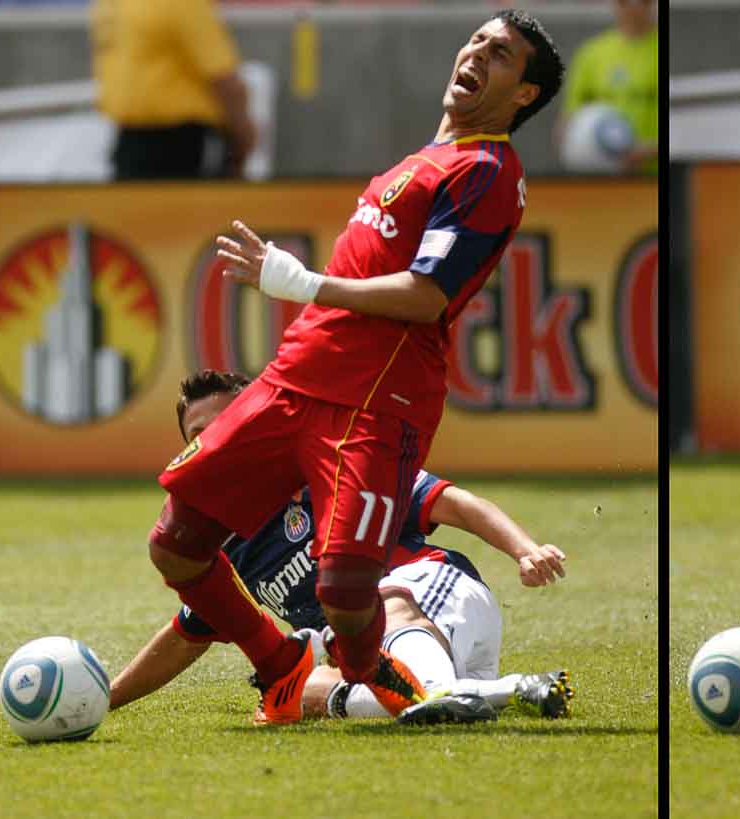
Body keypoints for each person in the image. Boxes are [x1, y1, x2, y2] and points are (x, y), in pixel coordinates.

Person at [145, 10, 562, 727]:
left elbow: (428, 297)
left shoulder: (488, 171)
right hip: (295, 378)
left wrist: (301, 283)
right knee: (175, 544)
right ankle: (283, 665)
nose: (478, 54)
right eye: (478, 41)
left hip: (375, 401)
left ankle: (391, 684)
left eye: (501, 55)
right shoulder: (414, 163)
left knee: (344, 592)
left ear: (522, 95)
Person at [108, 371, 572, 724]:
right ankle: (491, 692)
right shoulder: (222, 539)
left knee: (380, 601)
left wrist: (523, 549)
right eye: (199, 438)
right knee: (301, 687)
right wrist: (103, 700)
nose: (215, 442)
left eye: (225, 424)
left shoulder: (327, 465)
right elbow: (185, 637)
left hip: (433, 597)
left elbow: (452, 503)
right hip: (396, 657)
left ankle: (452, 691)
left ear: (251, 425)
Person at [89, 0, 253, 179]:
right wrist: (243, 133)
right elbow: (223, 78)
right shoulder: (181, 4)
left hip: (138, 139)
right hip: (179, 143)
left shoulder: (113, 5)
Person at [556, 0, 657, 175]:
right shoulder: (592, 53)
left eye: (643, 1)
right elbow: (569, 116)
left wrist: (649, 150)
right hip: (601, 176)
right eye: (624, 2)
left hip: (652, 175)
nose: (634, 7)